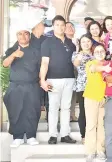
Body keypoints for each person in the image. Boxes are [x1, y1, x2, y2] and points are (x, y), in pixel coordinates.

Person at [39, 15, 77, 145]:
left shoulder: (71, 44)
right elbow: (44, 62)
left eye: (62, 25)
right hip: (53, 80)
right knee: (54, 107)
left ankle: (65, 134)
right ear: (53, 26)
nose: (60, 27)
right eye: (57, 25)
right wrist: (42, 80)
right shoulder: (47, 42)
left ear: (65, 26)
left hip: (69, 79)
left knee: (66, 108)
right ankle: (53, 135)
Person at [3, 25, 42, 148]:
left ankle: (31, 136)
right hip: (16, 85)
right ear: (17, 36)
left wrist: (42, 81)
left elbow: (41, 67)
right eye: (20, 34)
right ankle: (17, 137)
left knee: (32, 111)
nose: (23, 36)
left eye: (26, 33)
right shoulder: (11, 50)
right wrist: (14, 55)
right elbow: (5, 64)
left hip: (32, 85)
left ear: (29, 36)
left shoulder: (36, 50)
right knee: (16, 111)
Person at [83, 44, 111, 162]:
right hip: (91, 97)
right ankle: (90, 151)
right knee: (91, 125)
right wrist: (104, 69)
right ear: (93, 54)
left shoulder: (109, 64)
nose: (99, 53)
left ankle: (100, 150)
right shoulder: (90, 63)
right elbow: (93, 69)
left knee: (102, 125)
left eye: (101, 51)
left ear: (105, 52)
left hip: (104, 98)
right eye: (97, 51)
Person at [72, 34, 94, 144]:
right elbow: (75, 63)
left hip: (96, 86)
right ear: (80, 44)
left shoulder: (97, 53)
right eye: (83, 41)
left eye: (88, 41)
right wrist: (79, 57)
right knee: (83, 111)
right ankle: (84, 135)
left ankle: (93, 134)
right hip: (83, 86)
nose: (86, 43)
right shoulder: (76, 54)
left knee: (95, 112)